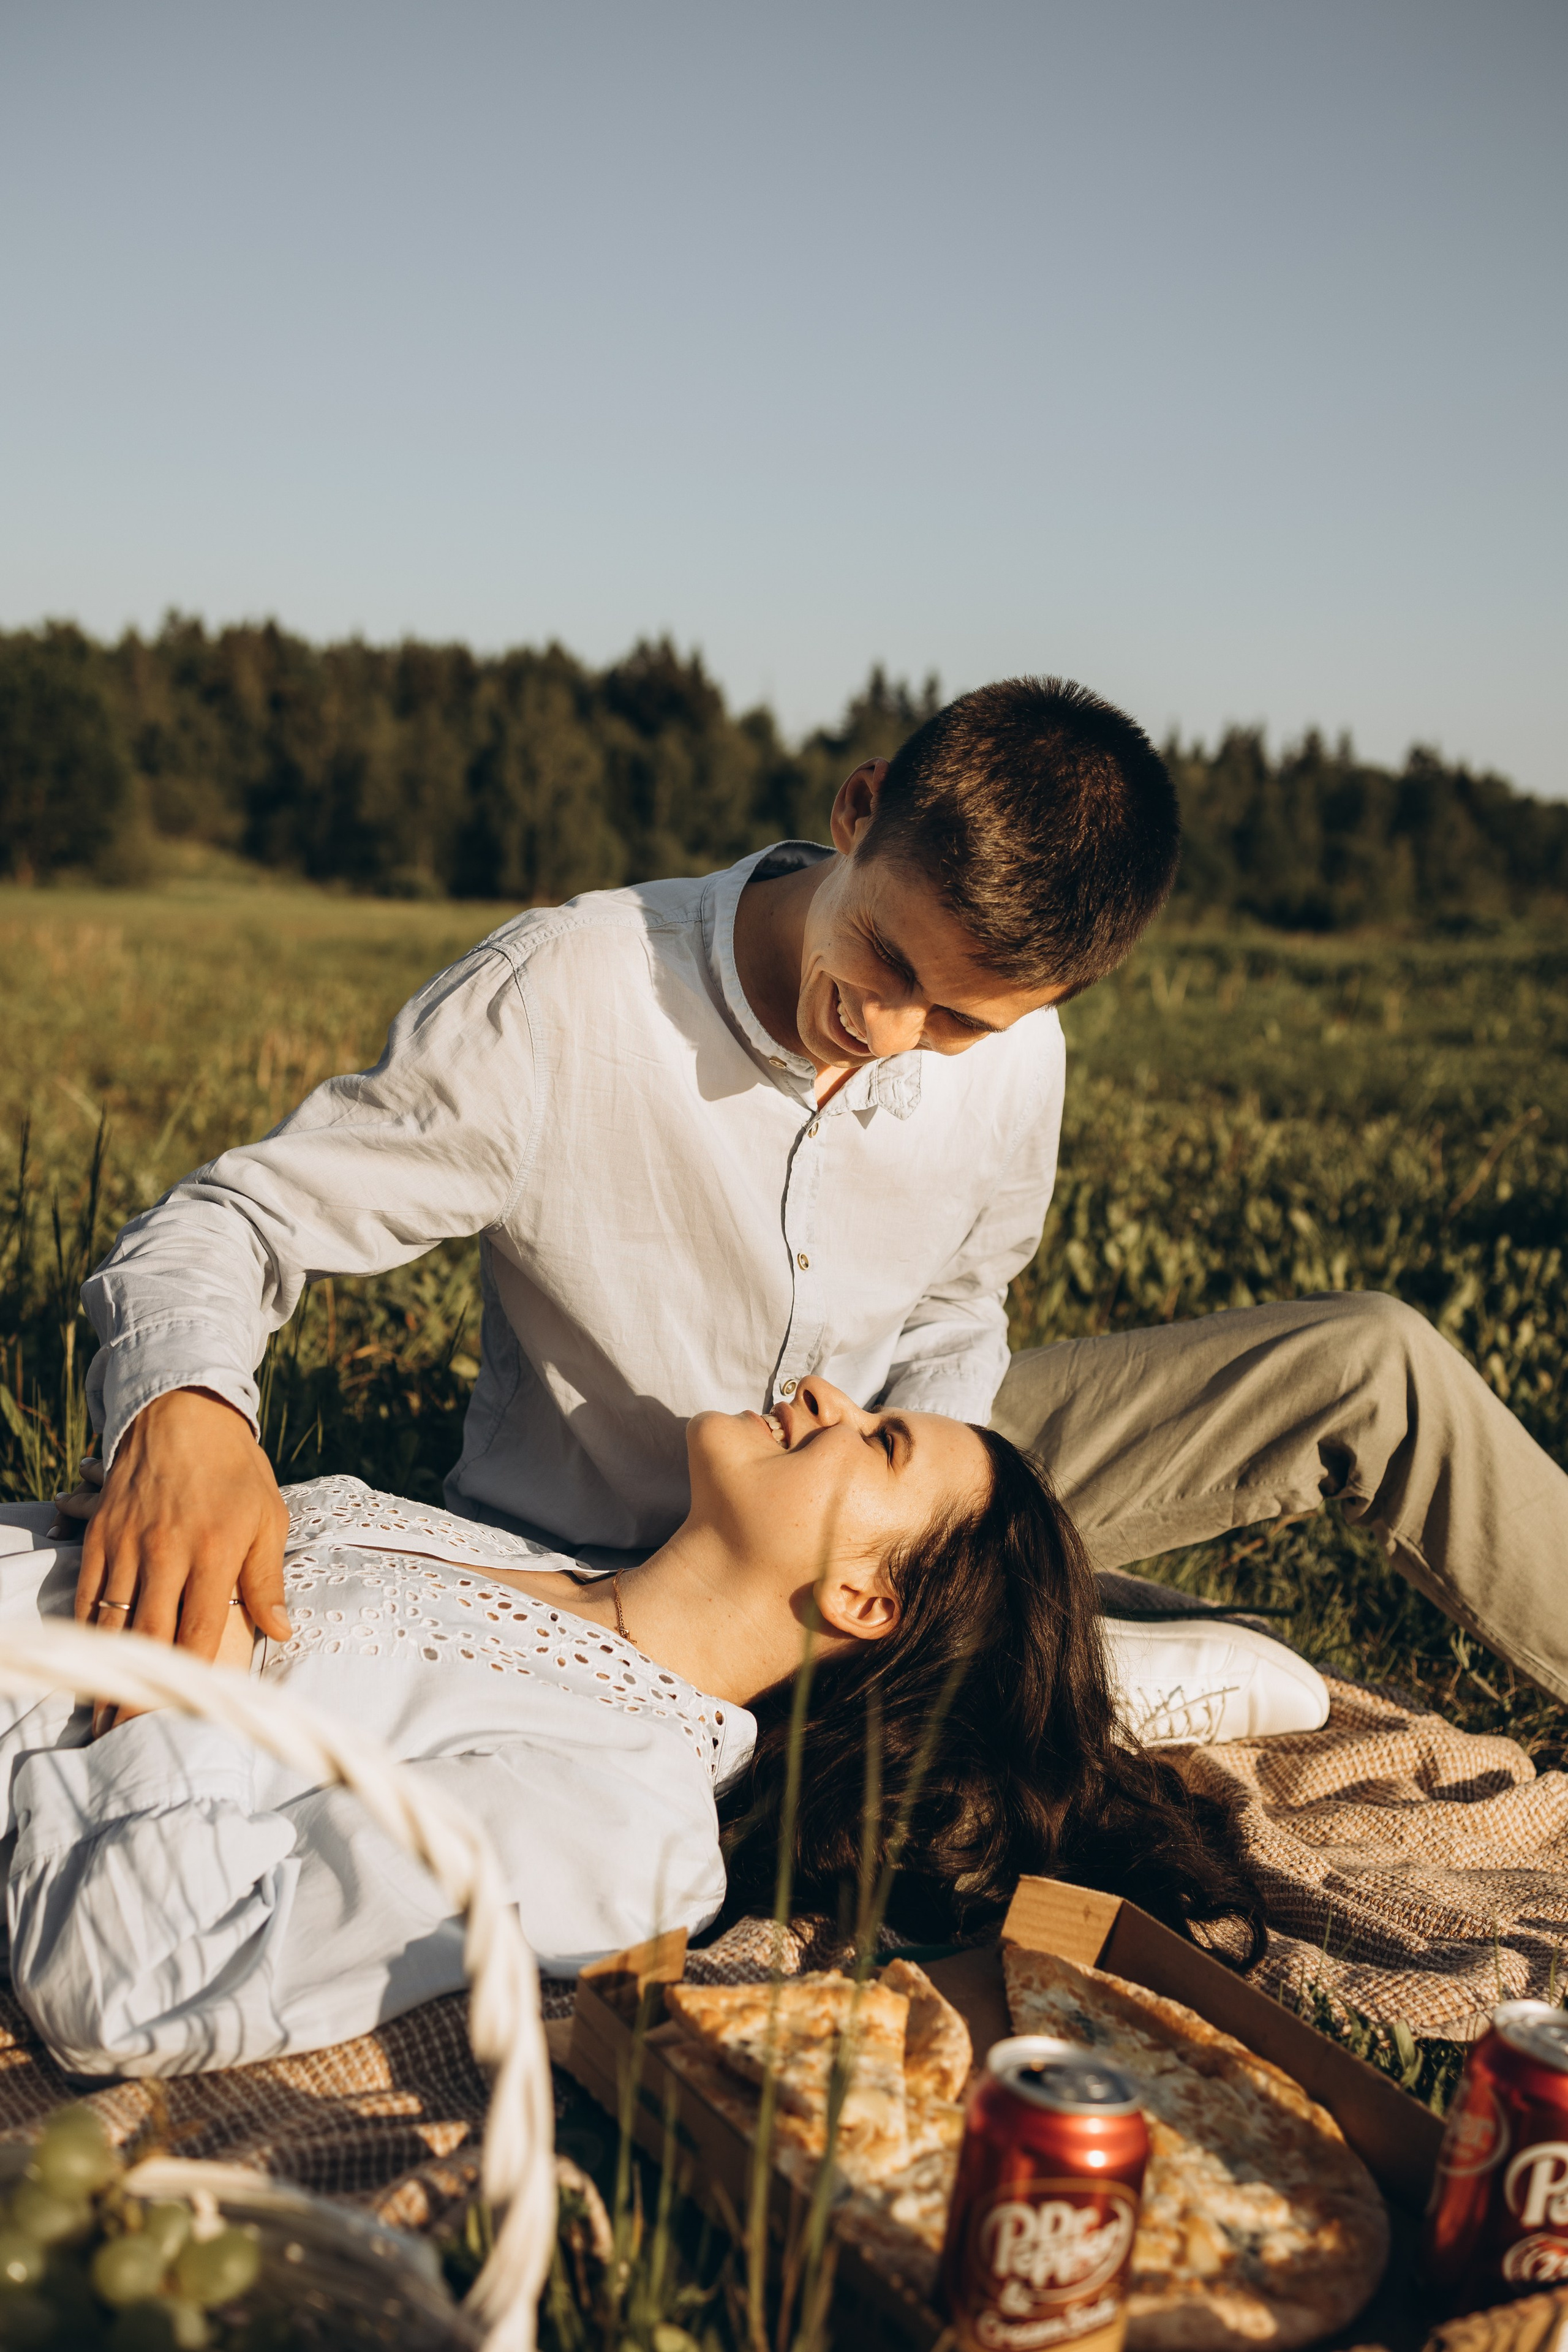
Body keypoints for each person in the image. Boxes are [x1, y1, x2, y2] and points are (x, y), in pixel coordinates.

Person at [75, 677, 1568, 1710]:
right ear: (858, 810)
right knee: (1194, 1670)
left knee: (1369, 1356)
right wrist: (186, 1409)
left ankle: (1046, 1649)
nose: (896, 1034)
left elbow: (956, 1306)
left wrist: (935, 1542)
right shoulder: (572, 991)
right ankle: (1075, 1667)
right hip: (622, 1572)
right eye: (890, 964)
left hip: (896, 1499)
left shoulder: (1019, 1049)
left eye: (969, 1020)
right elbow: (239, 1220)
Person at [2, 1382, 1259, 2079]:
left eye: (874, 1438)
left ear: (863, 1599)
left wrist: (168, 1689)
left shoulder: (626, 1824)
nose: (820, 1389)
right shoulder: (501, 1552)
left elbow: (132, 1983)